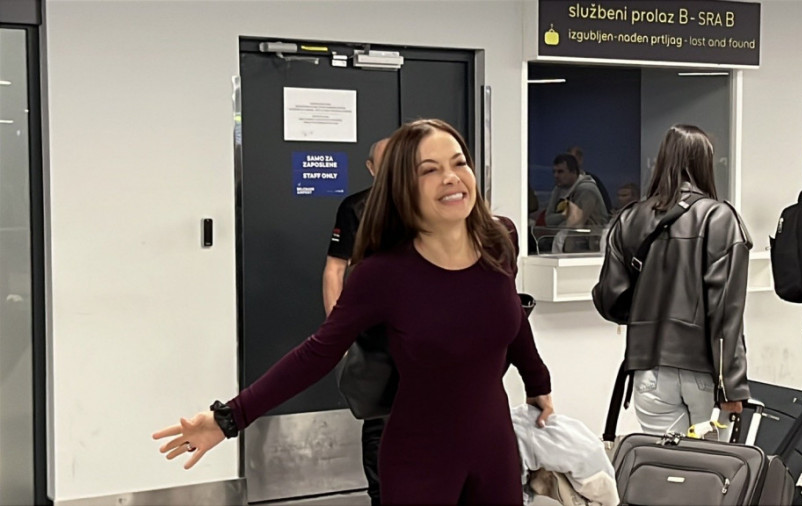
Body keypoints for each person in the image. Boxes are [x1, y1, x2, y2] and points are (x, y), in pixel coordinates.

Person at [153, 119, 554, 505]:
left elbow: (511, 317)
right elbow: (316, 353)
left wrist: (538, 382)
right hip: (421, 459)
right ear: (402, 187)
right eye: (429, 170)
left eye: (459, 162)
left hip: (495, 453)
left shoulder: (499, 239)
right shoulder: (383, 273)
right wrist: (229, 418)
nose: (451, 177)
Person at [593, 124, 749, 435]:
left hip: (647, 369)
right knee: (711, 465)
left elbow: (610, 300)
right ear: (705, 163)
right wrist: (731, 385)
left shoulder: (630, 218)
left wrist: (645, 312)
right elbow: (725, 313)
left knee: (665, 465)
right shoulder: (719, 218)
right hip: (703, 372)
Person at [322, 137, 388, 506]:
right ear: (371, 168)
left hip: (426, 332)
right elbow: (335, 269)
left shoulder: (433, 204)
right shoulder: (356, 208)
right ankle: (380, 496)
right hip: (375, 332)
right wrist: (339, 333)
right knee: (379, 419)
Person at [567, 145, 613, 213]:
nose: (569, 163)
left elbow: (606, 203)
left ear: (580, 160)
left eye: (572, 160)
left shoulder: (592, 180)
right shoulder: (561, 183)